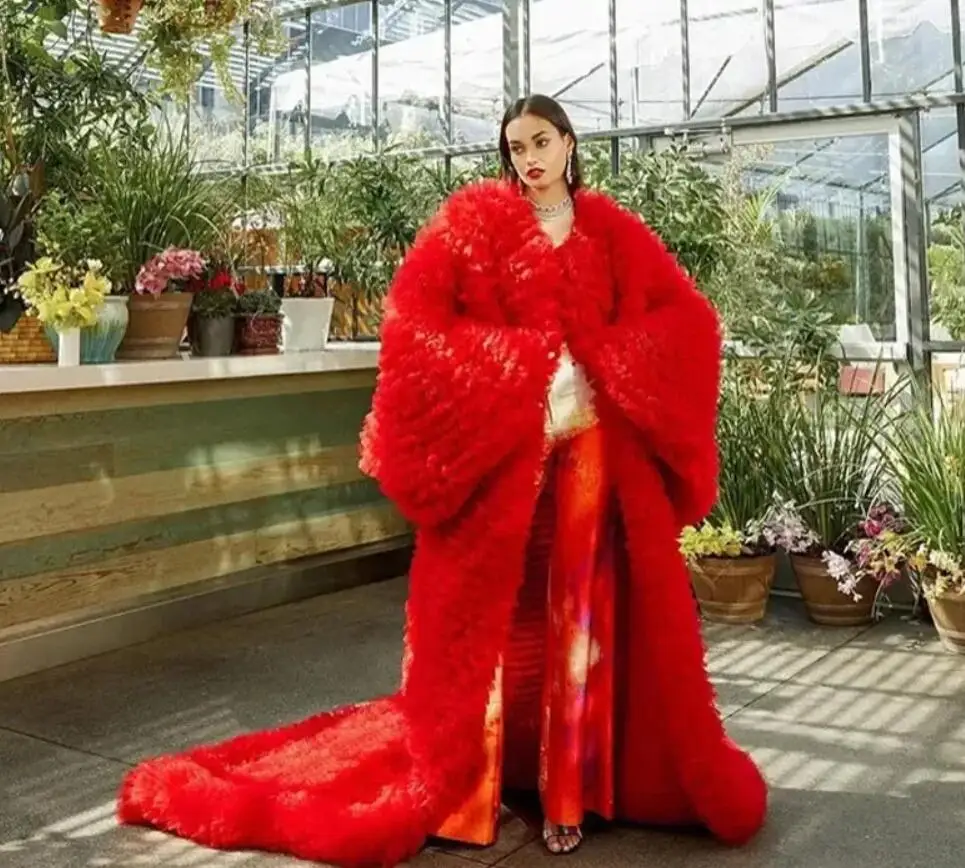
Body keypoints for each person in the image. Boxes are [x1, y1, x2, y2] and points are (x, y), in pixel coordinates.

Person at [117, 94, 768, 865]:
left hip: (589, 460)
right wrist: (520, 372)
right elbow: (414, 329)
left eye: (540, 142)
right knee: (481, 634)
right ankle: (466, 792)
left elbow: (688, 324)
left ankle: (570, 794)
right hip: (501, 464)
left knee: (577, 628)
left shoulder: (614, 234)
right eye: (514, 145)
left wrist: (605, 363)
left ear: (567, 143)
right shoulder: (472, 226)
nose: (527, 158)